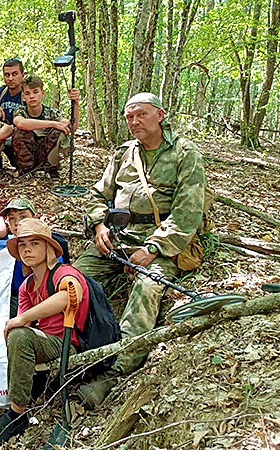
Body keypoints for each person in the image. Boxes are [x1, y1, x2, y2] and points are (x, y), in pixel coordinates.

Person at [73, 92, 208, 409]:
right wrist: (99, 227)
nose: (134, 122)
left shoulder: (185, 154)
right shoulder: (123, 154)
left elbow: (188, 213)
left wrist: (153, 247)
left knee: (147, 287)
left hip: (158, 240)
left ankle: (115, 371)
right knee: (73, 280)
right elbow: (97, 195)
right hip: (117, 236)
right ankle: (65, 347)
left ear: (160, 115)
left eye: (141, 115)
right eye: (129, 117)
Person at [0, 218, 89, 444]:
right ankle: (25, 394)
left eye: (35, 243)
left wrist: (22, 319)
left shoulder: (63, 272)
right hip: (43, 343)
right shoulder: (27, 286)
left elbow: (71, 295)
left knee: (19, 333)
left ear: (48, 248)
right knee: (16, 335)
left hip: (67, 343)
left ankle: (17, 415)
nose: (27, 249)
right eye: (22, 245)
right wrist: (16, 328)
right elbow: (23, 328)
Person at [0, 197, 70, 318]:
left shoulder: (47, 246)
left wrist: (23, 318)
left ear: (34, 218)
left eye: (23, 217)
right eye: (12, 219)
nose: (17, 223)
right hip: (17, 297)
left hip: (45, 301)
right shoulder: (4, 245)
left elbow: (67, 291)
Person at [11, 75, 80, 176]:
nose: (31, 96)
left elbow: (71, 127)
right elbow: (21, 123)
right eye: (27, 93)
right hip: (28, 154)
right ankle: (26, 169)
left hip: (46, 152)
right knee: (18, 132)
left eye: (35, 92)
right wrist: (54, 124)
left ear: (42, 94)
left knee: (59, 132)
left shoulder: (51, 113)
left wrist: (76, 104)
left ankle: (51, 168)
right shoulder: (20, 111)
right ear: (23, 97)